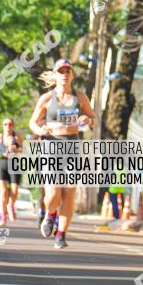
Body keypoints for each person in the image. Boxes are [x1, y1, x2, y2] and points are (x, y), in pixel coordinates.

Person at [29, 59, 96, 249]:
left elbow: (93, 119)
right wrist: (40, 130)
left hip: (72, 146)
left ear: (72, 75)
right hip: (51, 146)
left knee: (69, 192)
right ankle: (50, 214)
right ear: (56, 74)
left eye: (68, 71)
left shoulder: (80, 97)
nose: (64, 74)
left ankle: (61, 234)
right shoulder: (46, 98)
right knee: (53, 192)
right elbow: (32, 122)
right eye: (61, 71)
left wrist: (87, 120)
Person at [0, 118, 23, 225]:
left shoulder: (16, 137)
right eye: (5, 124)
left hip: (14, 163)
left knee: (14, 190)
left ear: (13, 125)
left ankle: (11, 205)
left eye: (10, 124)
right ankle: (3, 217)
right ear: (2, 126)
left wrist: (17, 149)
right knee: (3, 192)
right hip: (2, 163)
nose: (8, 126)